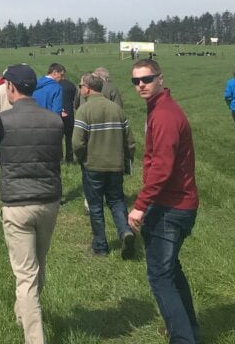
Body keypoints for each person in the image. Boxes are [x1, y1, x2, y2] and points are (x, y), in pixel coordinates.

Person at [0, 64, 62, 344]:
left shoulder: (0, 121)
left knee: (26, 275)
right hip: (49, 201)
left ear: (11, 88)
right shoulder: (55, 121)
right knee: (38, 266)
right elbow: (57, 157)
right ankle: (23, 313)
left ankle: (34, 338)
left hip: (17, 203)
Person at [127, 59, 200, 344]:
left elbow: (162, 167)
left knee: (160, 276)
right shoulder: (158, 109)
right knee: (170, 271)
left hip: (172, 206)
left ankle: (183, 338)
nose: (141, 85)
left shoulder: (165, 115)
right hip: (175, 202)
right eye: (136, 81)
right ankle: (189, 330)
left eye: (146, 79)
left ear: (160, 77)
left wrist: (140, 205)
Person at [73, 73, 136, 259]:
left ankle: (100, 246)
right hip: (115, 166)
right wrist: (127, 161)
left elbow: (77, 143)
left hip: (93, 166)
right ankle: (125, 231)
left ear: (87, 88)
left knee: (95, 206)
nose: (80, 89)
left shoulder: (84, 110)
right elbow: (130, 142)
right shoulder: (117, 109)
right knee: (117, 201)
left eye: (80, 86)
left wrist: (81, 158)